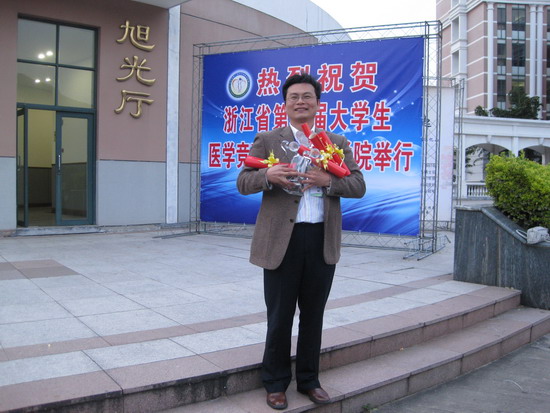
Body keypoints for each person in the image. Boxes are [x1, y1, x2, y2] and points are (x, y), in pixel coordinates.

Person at [237, 73, 366, 410]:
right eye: (293, 97)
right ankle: (275, 382)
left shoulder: (335, 142)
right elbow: (243, 181)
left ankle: (309, 380)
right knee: (280, 315)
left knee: (313, 314)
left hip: (320, 239)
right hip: (282, 241)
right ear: (285, 104)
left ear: (318, 103)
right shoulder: (269, 139)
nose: (300, 102)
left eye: (307, 96)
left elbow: (358, 186)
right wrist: (267, 175)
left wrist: (328, 181)